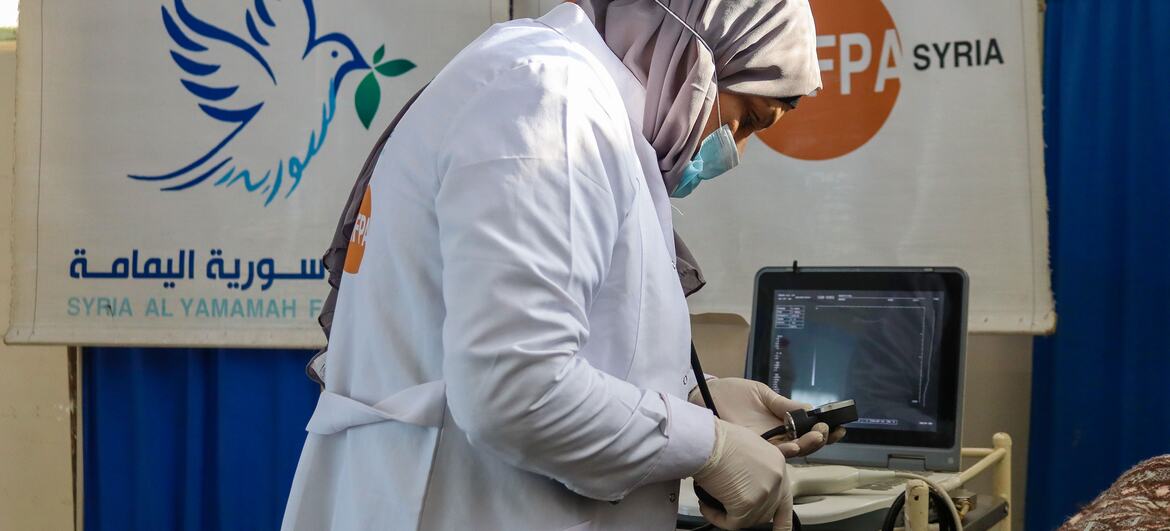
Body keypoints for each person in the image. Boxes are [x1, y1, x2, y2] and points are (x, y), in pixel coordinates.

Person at [281, 1, 842, 530]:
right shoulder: (551, 99)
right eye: (748, 118)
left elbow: (572, 345)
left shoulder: (579, 105)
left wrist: (699, 400)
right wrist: (708, 448)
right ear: (694, 49)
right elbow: (514, 387)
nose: (735, 148)